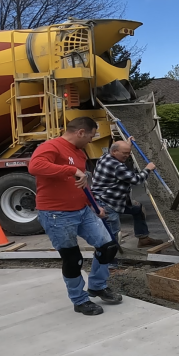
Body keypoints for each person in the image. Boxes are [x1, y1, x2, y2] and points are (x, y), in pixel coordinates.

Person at [27, 116, 123, 315]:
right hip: (57, 214)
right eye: (90, 135)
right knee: (73, 259)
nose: (91, 140)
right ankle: (79, 300)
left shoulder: (80, 152)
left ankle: (97, 286)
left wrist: (94, 206)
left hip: (82, 210)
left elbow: (82, 184)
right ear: (80, 132)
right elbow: (35, 167)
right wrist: (71, 170)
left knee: (108, 247)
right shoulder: (52, 147)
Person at [90, 139, 166, 251]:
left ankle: (143, 238)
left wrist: (127, 144)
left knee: (137, 209)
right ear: (114, 151)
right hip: (107, 202)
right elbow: (136, 180)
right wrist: (148, 169)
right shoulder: (117, 166)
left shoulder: (105, 156)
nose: (127, 155)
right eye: (124, 153)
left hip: (116, 199)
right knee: (112, 232)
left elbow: (118, 149)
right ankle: (110, 261)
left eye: (128, 153)